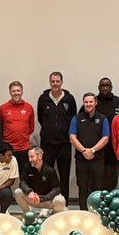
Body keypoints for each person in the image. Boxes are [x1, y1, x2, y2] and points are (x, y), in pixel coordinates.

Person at [37, 71, 77, 202]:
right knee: (46, 175)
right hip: (47, 144)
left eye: (57, 81)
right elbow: (40, 118)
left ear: (61, 82)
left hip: (64, 144)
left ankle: (63, 202)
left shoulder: (69, 99)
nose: (55, 84)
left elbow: (73, 118)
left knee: (64, 175)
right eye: (53, 81)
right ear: (50, 82)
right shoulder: (43, 99)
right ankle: (46, 203)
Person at [69, 93, 111, 210]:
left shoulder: (103, 119)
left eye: (91, 102)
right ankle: (83, 211)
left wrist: (92, 150)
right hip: (81, 158)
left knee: (98, 187)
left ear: (96, 102)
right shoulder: (76, 118)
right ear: (83, 103)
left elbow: (106, 138)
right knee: (82, 187)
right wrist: (84, 151)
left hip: (97, 159)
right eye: (86, 102)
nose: (88, 104)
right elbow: (72, 137)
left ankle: (97, 212)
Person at [13, 147, 66, 213]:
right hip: (32, 199)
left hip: (46, 200)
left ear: (40, 156)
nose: (30, 159)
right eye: (29, 157)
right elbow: (22, 182)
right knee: (17, 192)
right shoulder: (27, 167)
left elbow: (56, 189)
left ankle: (54, 216)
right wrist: (30, 192)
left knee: (60, 200)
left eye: (32, 157)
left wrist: (42, 198)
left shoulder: (49, 170)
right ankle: (28, 214)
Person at [96, 77, 119, 190]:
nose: (105, 87)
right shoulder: (93, 102)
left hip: (113, 147)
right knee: (97, 177)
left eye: (107, 85)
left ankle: (110, 200)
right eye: (102, 85)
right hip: (96, 147)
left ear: (111, 87)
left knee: (111, 175)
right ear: (99, 88)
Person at [0, 82, 35, 168]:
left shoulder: (29, 107)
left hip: (24, 149)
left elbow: (31, 127)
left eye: (18, 90)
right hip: (8, 149)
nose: (16, 93)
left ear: (22, 91)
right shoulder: (3, 108)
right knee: (7, 175)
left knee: (24, 176)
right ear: (10, 92)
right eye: (13, 91)